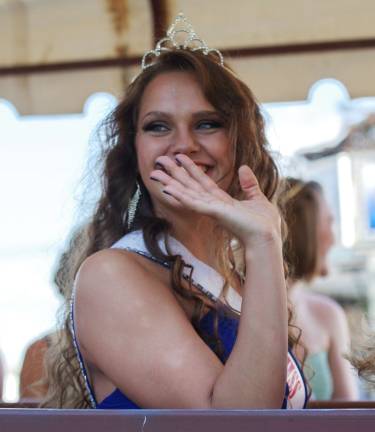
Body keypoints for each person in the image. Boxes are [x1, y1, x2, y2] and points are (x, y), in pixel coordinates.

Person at [43, 13, 308, 409]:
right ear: (134, 154)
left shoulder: (237, 280)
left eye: (207, 124)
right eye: (158, 127)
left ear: (240, 144)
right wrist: (264, 240)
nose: (183, 145)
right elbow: (237, 423)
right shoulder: (111, 276)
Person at [279, 177, 358, 400]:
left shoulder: (329, 314)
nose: (333, 239)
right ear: (302, 232)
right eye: (328, 223)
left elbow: (349, 411)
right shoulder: (236, 308)